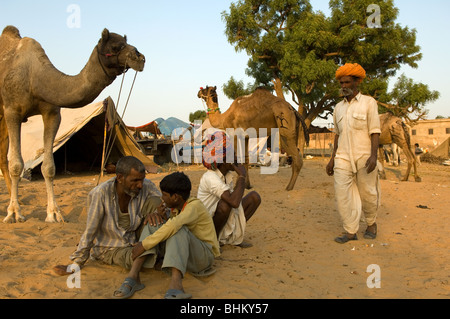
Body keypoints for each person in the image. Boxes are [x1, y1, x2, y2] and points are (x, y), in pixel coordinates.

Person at [53, 156, 162, 299]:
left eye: (142, 179)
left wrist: (155, 212)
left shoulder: (146, 186)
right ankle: (155, 258)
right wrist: (77, 262)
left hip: (135, 237)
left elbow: (162, 204)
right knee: (136, 256)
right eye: (135, 181)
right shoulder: (100, 194)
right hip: (111, 248)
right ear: (120, 178)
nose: (140, 185)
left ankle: (156, 253)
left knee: (155, 203)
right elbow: (90, 230)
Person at [132, 171, 220, 299]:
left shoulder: (194, 206)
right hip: (189, 254)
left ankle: (176, 285)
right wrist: (162, 217)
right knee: (154, 222)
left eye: (165, 195)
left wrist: (144, 245)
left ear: (175, 197)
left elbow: (174, 227)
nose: (162, 198)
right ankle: (133, 275)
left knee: (177, 229)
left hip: (204, 257)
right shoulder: (177, 208)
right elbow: (171, 229)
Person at [326, 63, 381, 244]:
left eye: (347, 82)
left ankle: (371, 224)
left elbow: (375, 131)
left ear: (357, 82)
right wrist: (332, 159)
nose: (343, 86)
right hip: (342, 157)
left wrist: (374, 156)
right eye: (341, 83)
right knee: (342, 194)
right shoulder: (338, 108)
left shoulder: (369, 103)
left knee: (368, 193)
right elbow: (337, 135)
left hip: (364, 156)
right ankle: (350, 231)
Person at [197, 131, 261, 248]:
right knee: (226, 205)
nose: (236, 158)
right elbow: (234, 202)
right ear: (222, 160)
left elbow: (235, 201)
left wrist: (240, 178)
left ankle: (233, 237)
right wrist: (241, 176)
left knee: (254, 198)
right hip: (206, 225)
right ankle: (212, 243)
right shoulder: (210, 177)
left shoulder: (227, 176)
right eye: (233, 155)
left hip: (221, 217)